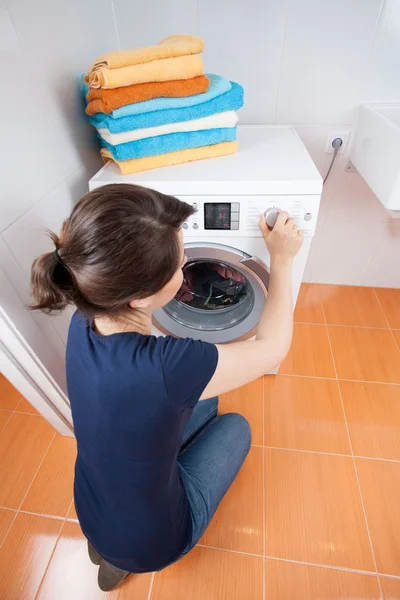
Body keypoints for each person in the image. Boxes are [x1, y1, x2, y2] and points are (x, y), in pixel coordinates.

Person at [30, 184, 302, 591]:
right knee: (236, 425)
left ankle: (107, 551)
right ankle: (126, 558)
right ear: (139, 299)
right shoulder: (170, 367)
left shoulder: (84, 315)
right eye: (179, 266)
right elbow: (273, 347)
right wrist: (280, 261)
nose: (186, 267)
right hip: (158, 538)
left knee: (205, 405)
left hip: (91, 506)